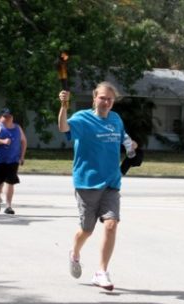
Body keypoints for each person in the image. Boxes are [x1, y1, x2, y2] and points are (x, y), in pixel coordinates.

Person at [58, 81, 137, 291]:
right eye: (103, 97)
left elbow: (123, 137)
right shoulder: (82, 119)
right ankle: (74, 253)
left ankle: (101, 271)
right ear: (94, 98)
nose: (106, 102)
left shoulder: (115, 119)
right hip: (87, 183)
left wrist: (131, 146)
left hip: (111, 182)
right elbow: (63, 127)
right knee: (87, 230)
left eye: (110, 99)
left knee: (111, 225)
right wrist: (63, 106)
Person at [0, 108, 27, 214]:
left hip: (13, 160)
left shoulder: (18, 128)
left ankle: (8, 206)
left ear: (12, 117)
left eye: (9, 116)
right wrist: (2, 141)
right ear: (1, 117)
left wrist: (22, 156)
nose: (7, 118)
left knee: (10, 182)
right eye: (5, 116)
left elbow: (23, 142)